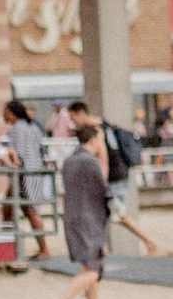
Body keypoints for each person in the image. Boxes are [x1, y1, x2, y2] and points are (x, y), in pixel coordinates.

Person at [65, 101, 162, 257]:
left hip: (113, 177)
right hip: (116, 175)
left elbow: (104, 157)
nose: (72, 121)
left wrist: (102, 181)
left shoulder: (97, 130)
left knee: (118, 214)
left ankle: (149, 241)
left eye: (72, 117)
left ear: (79, 113)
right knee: (106, 213)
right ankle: (103, 248)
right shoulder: (103, 124)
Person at [48, 120, 109, 299]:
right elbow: (102, 191)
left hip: (73, 217)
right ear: (93, 140)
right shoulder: (91, 162)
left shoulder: (69, 161)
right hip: (89, 219)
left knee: (90, 267)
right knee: (93, 271)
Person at [1, 98, 54, 260]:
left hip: (23, 175)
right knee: (19, 210)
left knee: (21, 210)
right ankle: (17, 247)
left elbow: (18, 154)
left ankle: (13, 248)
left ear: (11, 113)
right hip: (33, 172)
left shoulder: (16, 129)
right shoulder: (33, 128)